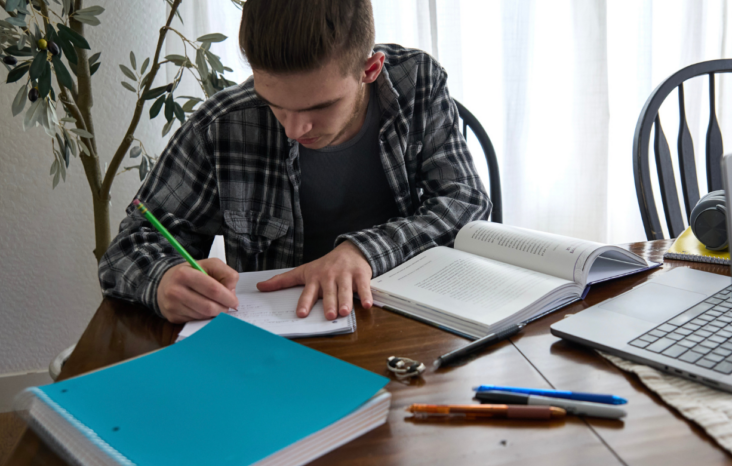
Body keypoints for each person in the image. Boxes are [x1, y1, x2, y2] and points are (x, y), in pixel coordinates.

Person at [98, 0, 491, 324]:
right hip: (275, 347)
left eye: (319, 107)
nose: (294, 129)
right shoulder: (221, 126)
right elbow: (128, 247)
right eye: (274, 103)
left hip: (405, 328)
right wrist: (163, 279)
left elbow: (466, 202)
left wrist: (363, 251)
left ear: (369, 70)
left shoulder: (417, 82)